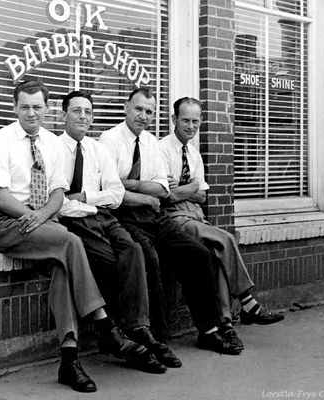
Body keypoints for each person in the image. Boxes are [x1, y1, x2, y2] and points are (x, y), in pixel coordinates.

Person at [0, 80, 165, 393]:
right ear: (14, 108)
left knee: (62, 268)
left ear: (47, 109)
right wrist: (33, 216)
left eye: (37, 106)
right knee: (72, 241)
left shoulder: (51, 143)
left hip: (41, 221)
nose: (30, 113)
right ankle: (106, 325)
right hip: (9, 222)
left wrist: (42, 214)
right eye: (24, 106)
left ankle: (69, 358)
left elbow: (57, 192)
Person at [99, 87, 241, 355]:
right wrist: (144, 189)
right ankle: (156, 338)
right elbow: (110, 190)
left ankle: (209, 331)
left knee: (197, 254)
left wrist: (134, 185)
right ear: (126, 108)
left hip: (154, 215)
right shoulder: (109, 140)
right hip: (123, 216)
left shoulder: (152, 143)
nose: (143, 116)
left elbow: (163, 189)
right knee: (149, 258)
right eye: (139, 109)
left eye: (149, 112)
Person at [56, 90, 181, 370]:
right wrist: (88, 199)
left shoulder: (97, 148)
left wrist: (87, 197)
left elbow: (115, 193)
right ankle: (120, 334)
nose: (83, 117)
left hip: (102, 215)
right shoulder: (52, 148)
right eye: (76, 111)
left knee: (132, 250)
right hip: (74, 220)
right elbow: (59, 201)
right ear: (63, 114)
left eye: (88, 112)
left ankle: (139, 329)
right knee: (114, 261)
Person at [159, 97, 285, 346]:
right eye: (185, 120)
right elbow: (167, 196)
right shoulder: (161, 150)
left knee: (215, 256)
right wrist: (191, 187)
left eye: (196, 121)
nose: (191, 126)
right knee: (225, 238)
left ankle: (224, 324)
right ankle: (249, 303)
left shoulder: (194, 154)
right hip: (174, 218)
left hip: (196, 215)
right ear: (174, 120)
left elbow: (203, 195)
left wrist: (188, 189)